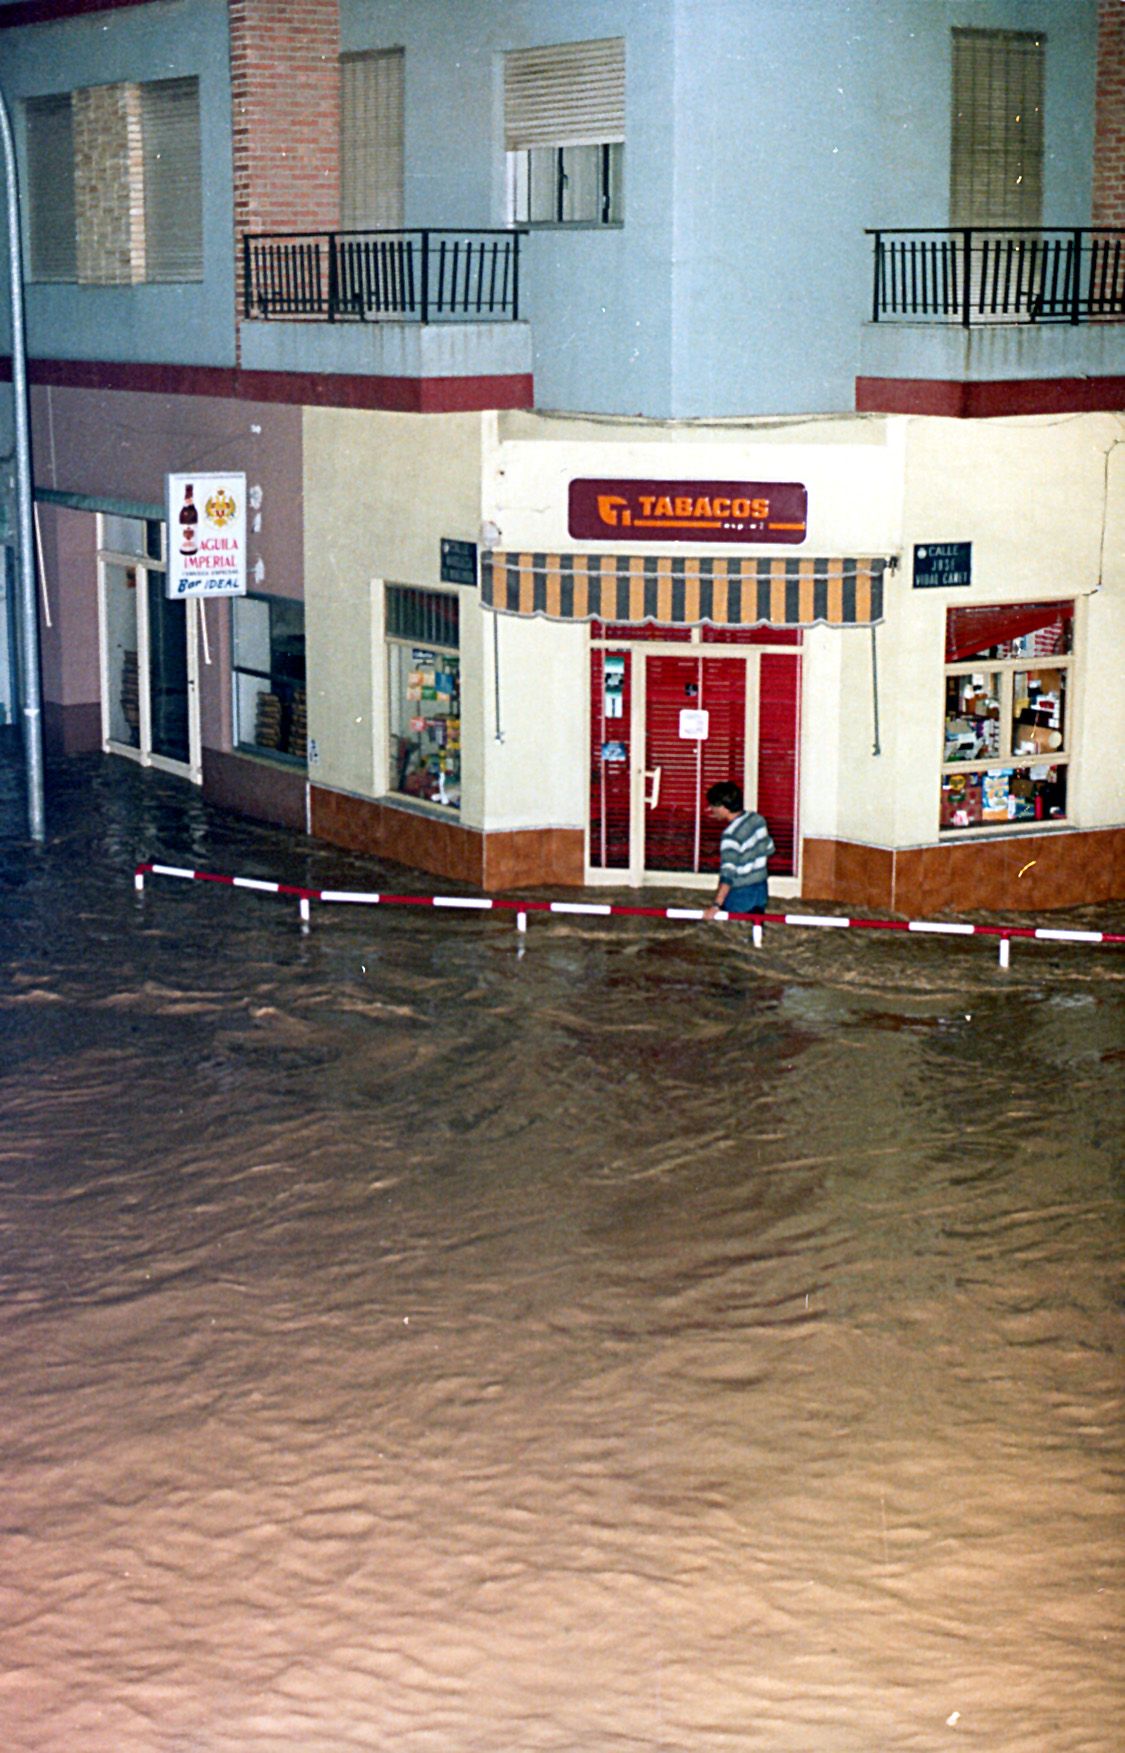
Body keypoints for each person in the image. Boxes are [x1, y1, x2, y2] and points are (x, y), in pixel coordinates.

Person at [702, 781, 775, 922]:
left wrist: (716, 905)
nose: (710, 809)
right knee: (755, 927)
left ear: (723, 807)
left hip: (740, 894)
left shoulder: (731, 836)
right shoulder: (757, 820)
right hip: (761, 890)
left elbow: (728, 875)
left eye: (712, 806)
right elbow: (769, 848)